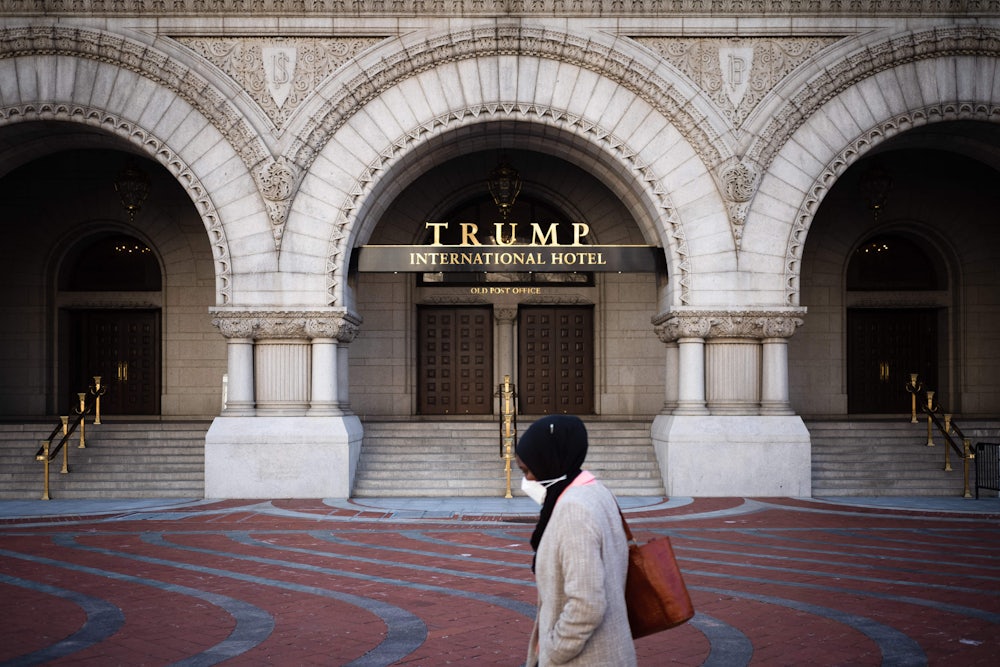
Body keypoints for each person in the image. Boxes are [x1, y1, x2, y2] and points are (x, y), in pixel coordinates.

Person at [515, 415, 637, 667]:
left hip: (585, 658)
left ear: (549, 460)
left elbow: (586, 604)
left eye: (528, 470)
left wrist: (552, 652)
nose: (527, 481)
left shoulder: (574, 509)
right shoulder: (595, 490)